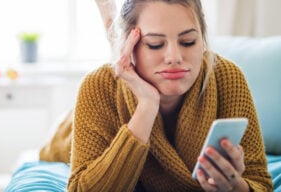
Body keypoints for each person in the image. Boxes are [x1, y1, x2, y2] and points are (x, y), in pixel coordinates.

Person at [65, 0, 273, 191]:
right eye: (155, 44)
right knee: (59, 143)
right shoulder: (98, 87)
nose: (174, 57)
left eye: (188, 41)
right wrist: (146, 106)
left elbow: (261, 183)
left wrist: (237, 186)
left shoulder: (226, 78)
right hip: (66, 138)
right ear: (128, 44)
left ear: (202, 40)